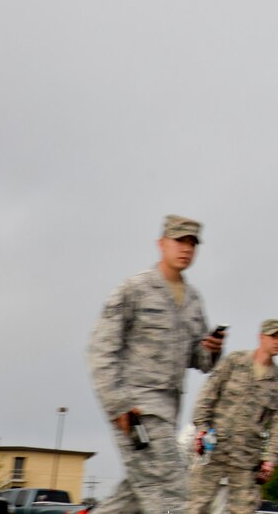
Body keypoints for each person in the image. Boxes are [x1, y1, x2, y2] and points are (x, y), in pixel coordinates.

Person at [89, 214, 224, 513]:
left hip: (168, 412)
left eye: (192, 243)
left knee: (133, 499)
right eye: (179, 241)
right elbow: (100, 349)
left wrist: (212, 350)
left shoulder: (193, 300)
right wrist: (117, 404)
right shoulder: (134, 289)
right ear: (161, 244)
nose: (186, 249)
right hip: (137, 411)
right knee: (173, 494)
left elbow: (199, 359)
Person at [188, 319, 278, 514]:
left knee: (244, 509)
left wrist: (270, 459)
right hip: (213, 447)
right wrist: (200, 428)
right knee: (197, 505)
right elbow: (208, 394)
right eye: (273, 336)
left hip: (246, 457)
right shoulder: (235, 362)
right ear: (261, 338)